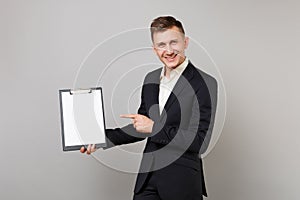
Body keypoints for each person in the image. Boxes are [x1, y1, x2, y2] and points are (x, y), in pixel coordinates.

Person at [81, 16, 217, 200]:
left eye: (174, 43)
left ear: (185, 42)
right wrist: (100, 138)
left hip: (181, 183)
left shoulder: (205, 83)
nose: (168, 51)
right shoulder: (151, 79)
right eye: (161, 45)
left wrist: (154, 128)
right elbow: (141, 127)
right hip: (147, 181)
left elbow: (199, 141)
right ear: (154, 49)